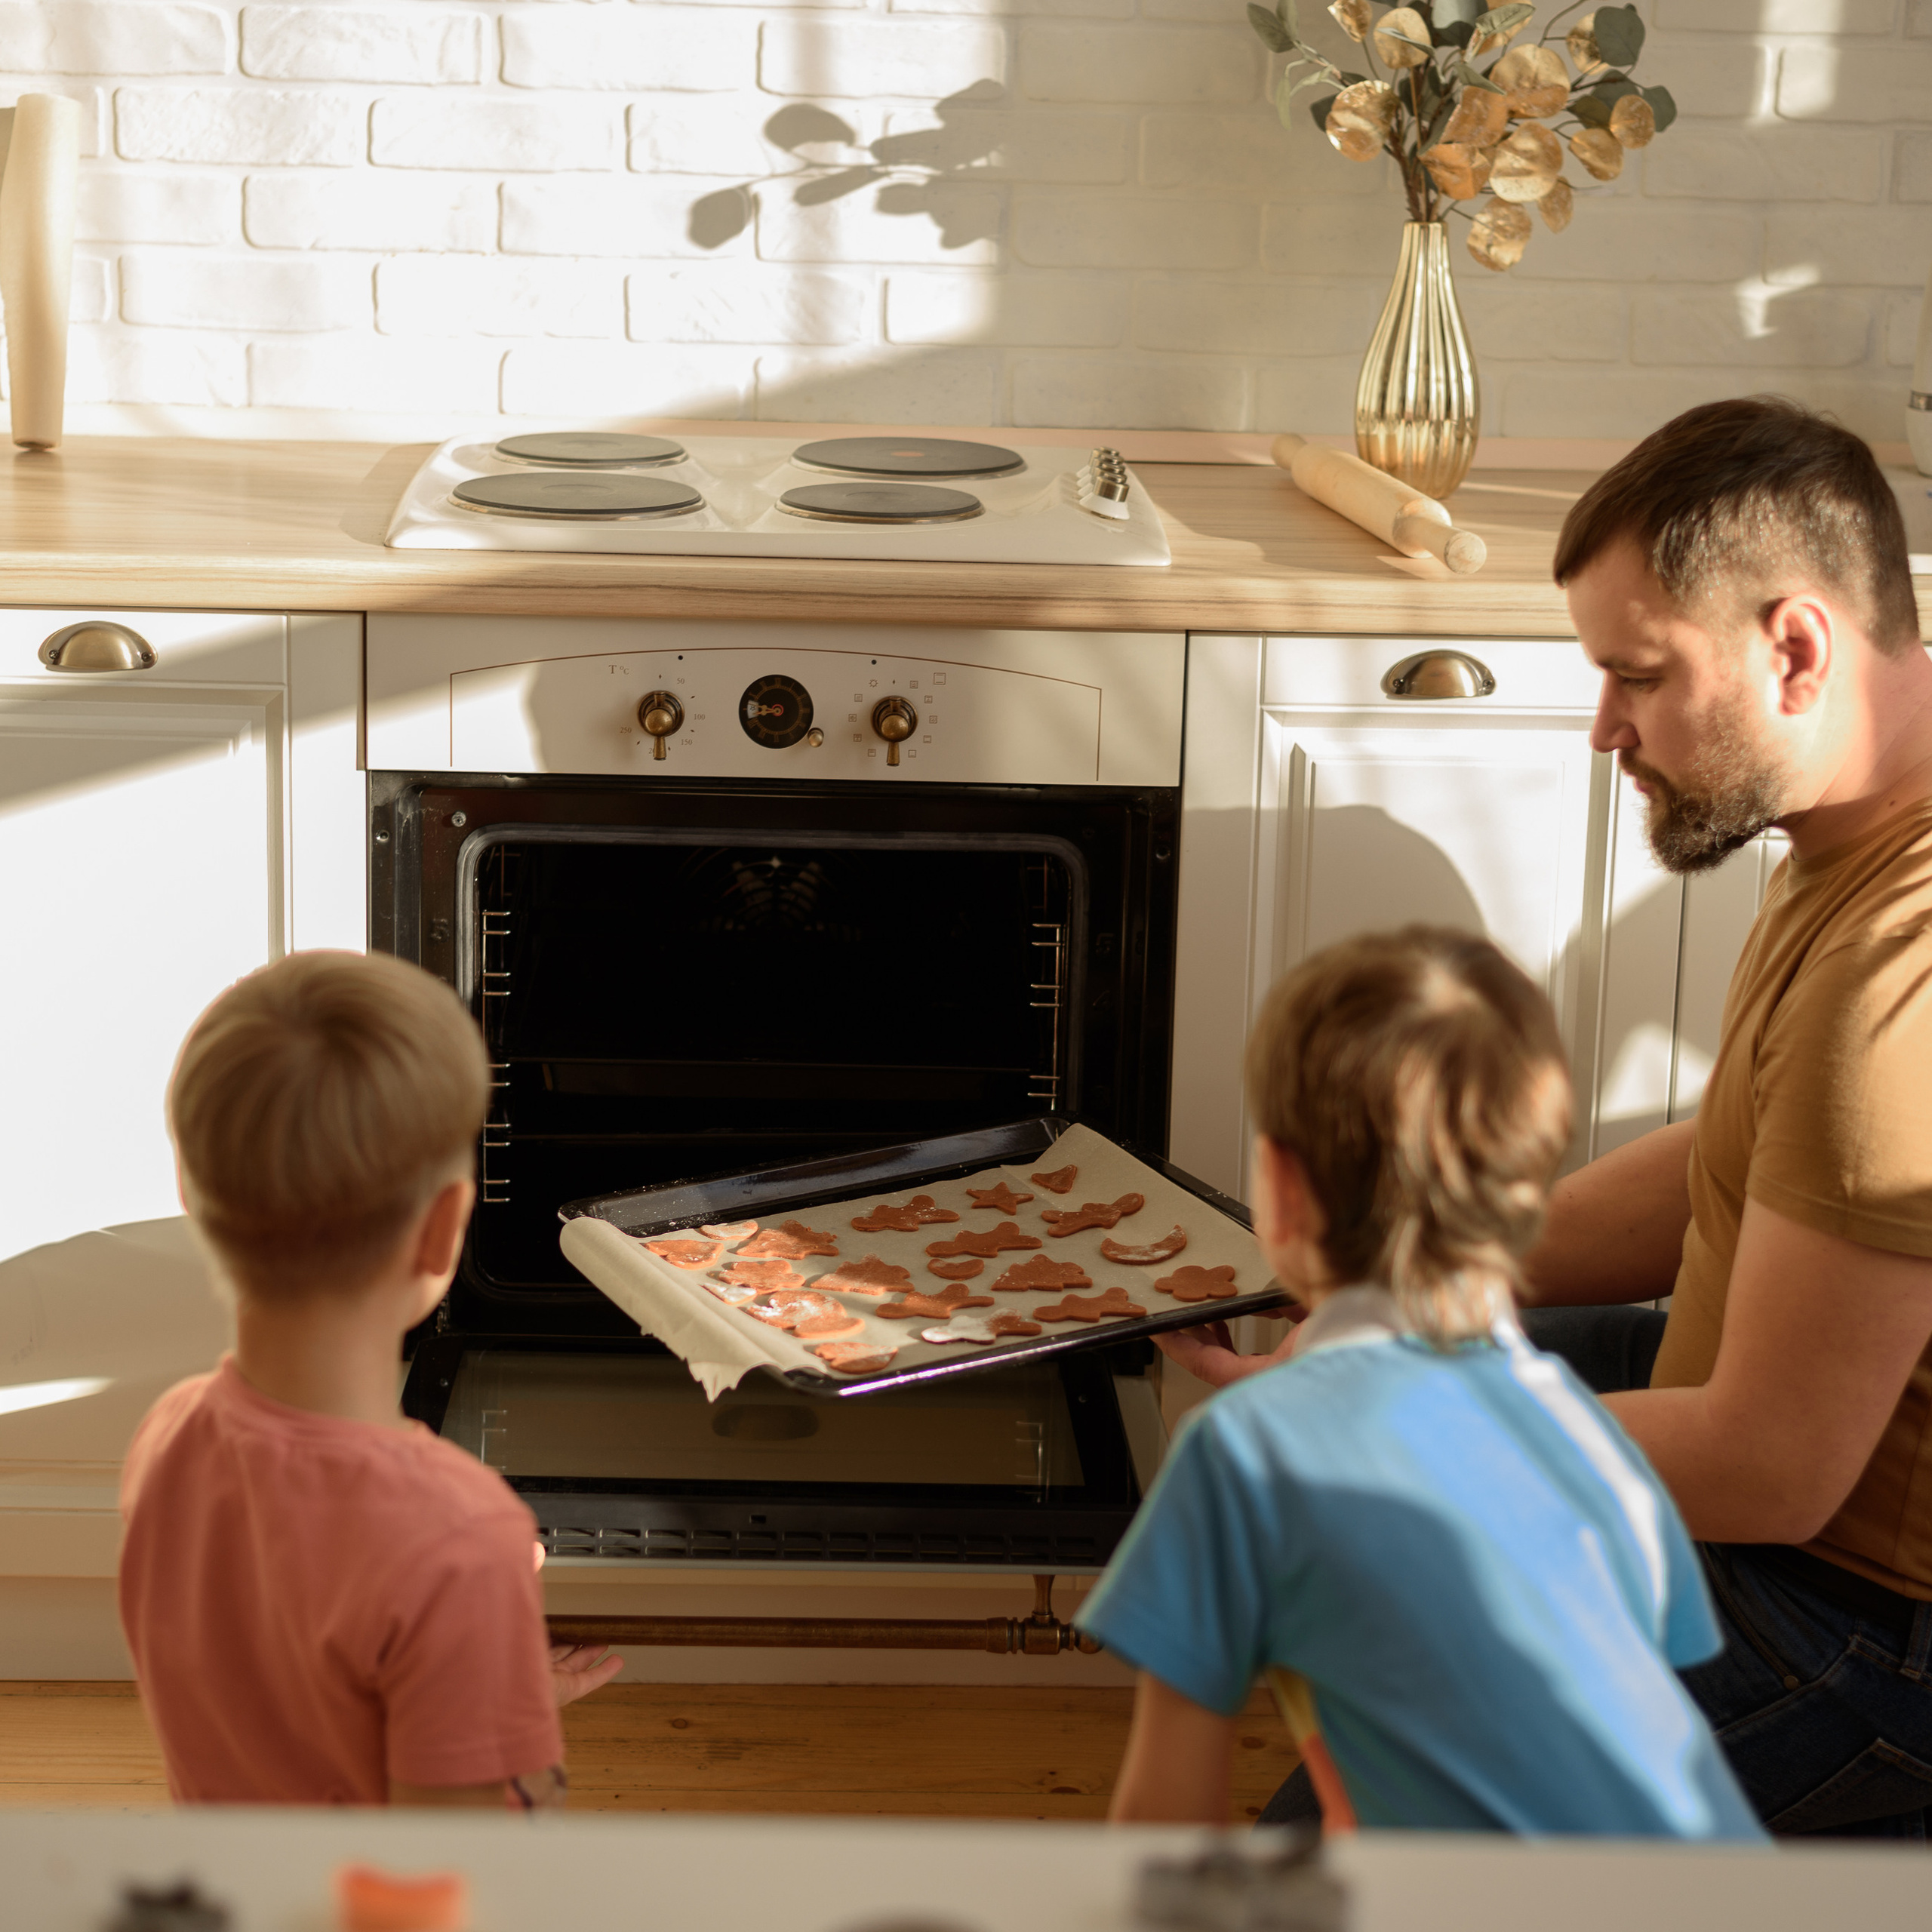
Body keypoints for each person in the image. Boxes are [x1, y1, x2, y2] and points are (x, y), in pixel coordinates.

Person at [1175, 398, 1932, 1840]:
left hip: (1855, 1622)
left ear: (1795, 647)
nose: (1604, 732)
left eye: (1637, 678)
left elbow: (1773, 1466)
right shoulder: (1852, 818)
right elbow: (1741, 1166)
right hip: (1771, 1454)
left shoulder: (1904, 977)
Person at [1081, 928, 1762, 1838]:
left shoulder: (1240, 1454)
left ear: (1278, 1193)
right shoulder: (1615, 1440)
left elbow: (1165, 1814)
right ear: (1526, 1204)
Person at [119, 951, 623, 1806]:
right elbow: (445, 1871)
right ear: (443, 1233)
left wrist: (468, 1681)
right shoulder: (457, 1532)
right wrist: (490, 1687)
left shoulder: (167, 1434)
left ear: (191, 1197)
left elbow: (277, 1676)